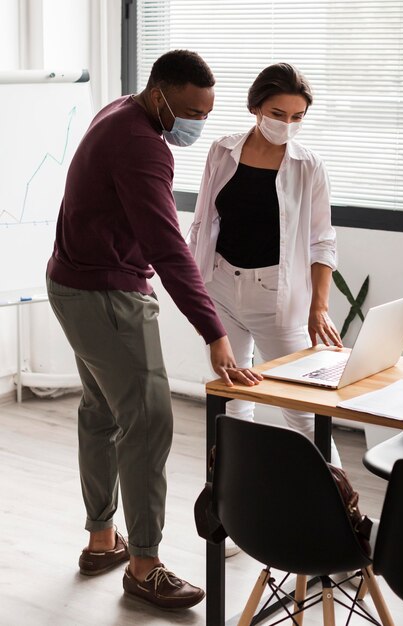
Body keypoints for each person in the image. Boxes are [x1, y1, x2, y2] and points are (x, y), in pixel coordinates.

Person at [46, 49, 261, 611]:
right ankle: (144, 563)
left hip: (71, 284)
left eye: (208, 114)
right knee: (147, 422)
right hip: (108, 295)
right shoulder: (143, 145)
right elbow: (168, 246)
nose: (197, 124)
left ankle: (101, 540)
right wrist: (214, 332)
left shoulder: (121, 111)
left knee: (100, 411)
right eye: (191, 110)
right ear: (161, 94)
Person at [188, 63, 344, 468]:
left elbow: (321, 241)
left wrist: (318, 306)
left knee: (304, 412)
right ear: (255, 107)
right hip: (222, 288)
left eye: (297, 117)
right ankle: (236, 503)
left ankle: (346, 513)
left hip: (277, 297)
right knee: (232, 404)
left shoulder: (308, 166)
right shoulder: (222, 151)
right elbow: (203, 222)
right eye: (278, 115)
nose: (287, 125)